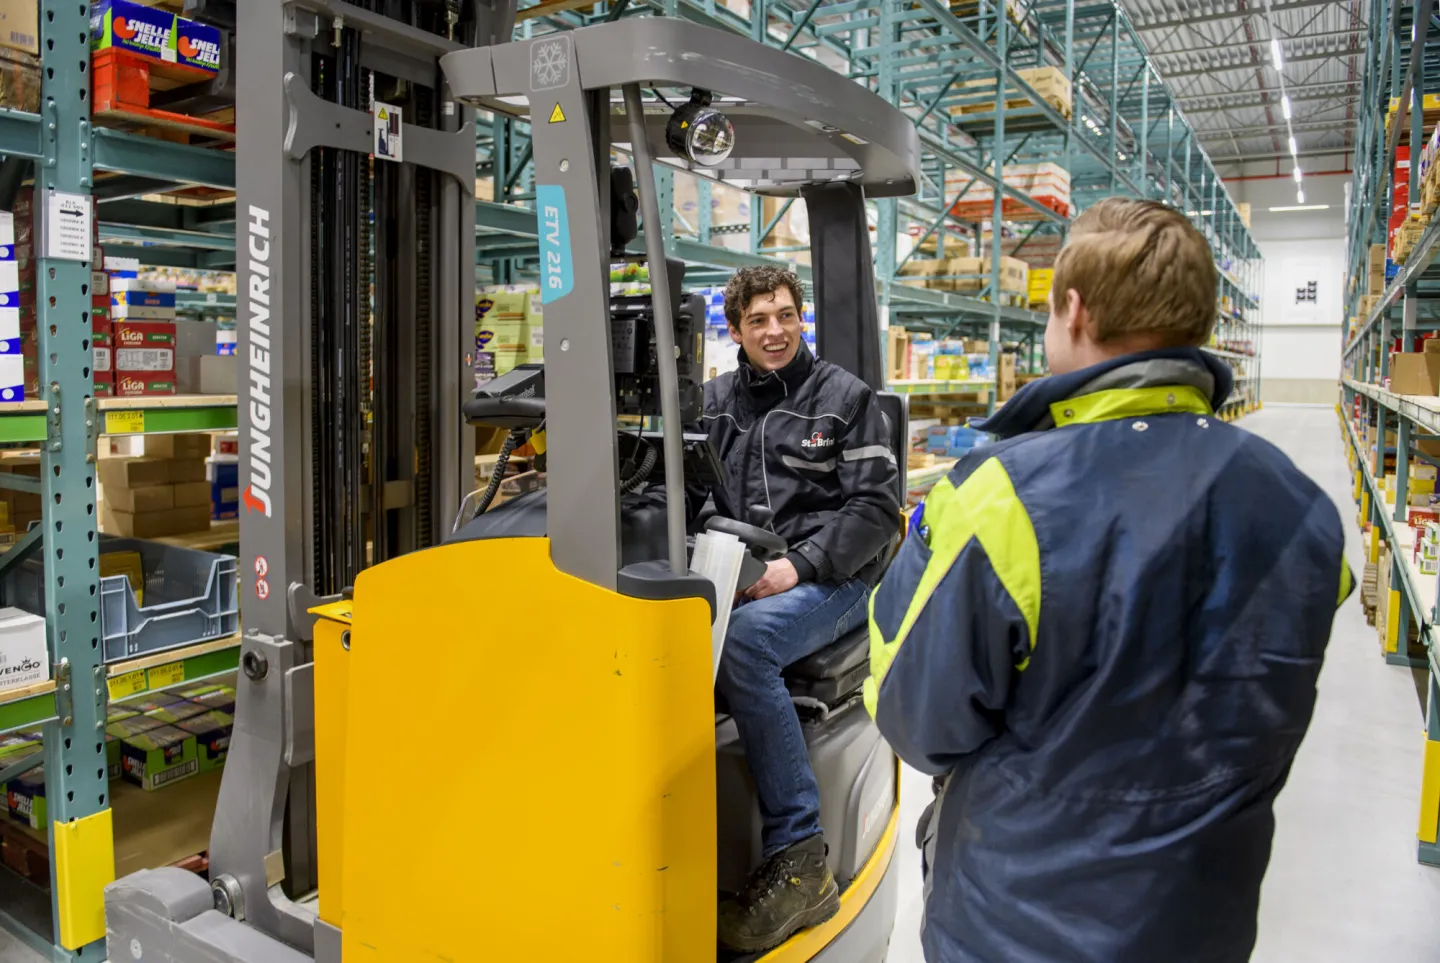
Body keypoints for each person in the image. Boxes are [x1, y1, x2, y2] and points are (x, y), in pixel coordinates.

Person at [866, 197, 1353, 963]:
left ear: (1075, 310)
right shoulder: (1302, 506)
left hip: (1017, 922)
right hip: (1204, 917)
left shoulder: (1002, 497)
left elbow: (919, 723)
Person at [697, 265, 901, 953]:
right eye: (758, 320)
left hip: (836, 574)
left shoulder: (845, 397)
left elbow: (877, 509)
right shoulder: (714, 402)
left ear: (801, 316)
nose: (775, 330)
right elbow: (692, 489)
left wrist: (798, 566)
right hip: (744, 572)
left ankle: (800, 853)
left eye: (785, 315)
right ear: (737, 331)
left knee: (746, 643)